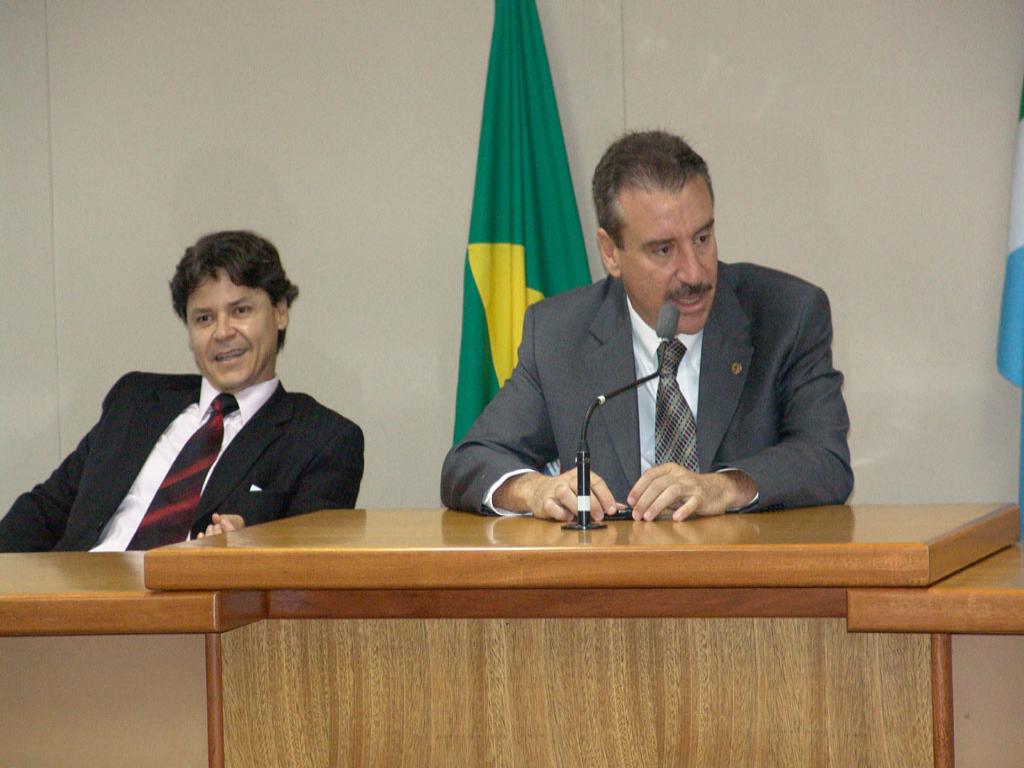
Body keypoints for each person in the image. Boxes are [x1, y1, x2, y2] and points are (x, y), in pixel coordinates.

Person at [441, 130, 851, 522]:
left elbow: (825, 460)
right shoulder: (558, 335)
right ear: (610, 253)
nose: (694, 272)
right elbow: (470, 461)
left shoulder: (786, 315)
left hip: (750, 586)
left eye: (703, 238)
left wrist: (722, 488)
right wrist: (535, 491)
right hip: (612, 588)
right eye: (663, 250)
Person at [0, 230, 363, 551]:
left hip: (188, 616)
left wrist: (250, 548)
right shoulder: (136, 400)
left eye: (240, 311)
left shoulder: (323, 440)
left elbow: (308, 568)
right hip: (71, 603)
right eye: (204, 318)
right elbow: (45, 511)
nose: (222, 332)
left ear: (280, 311)